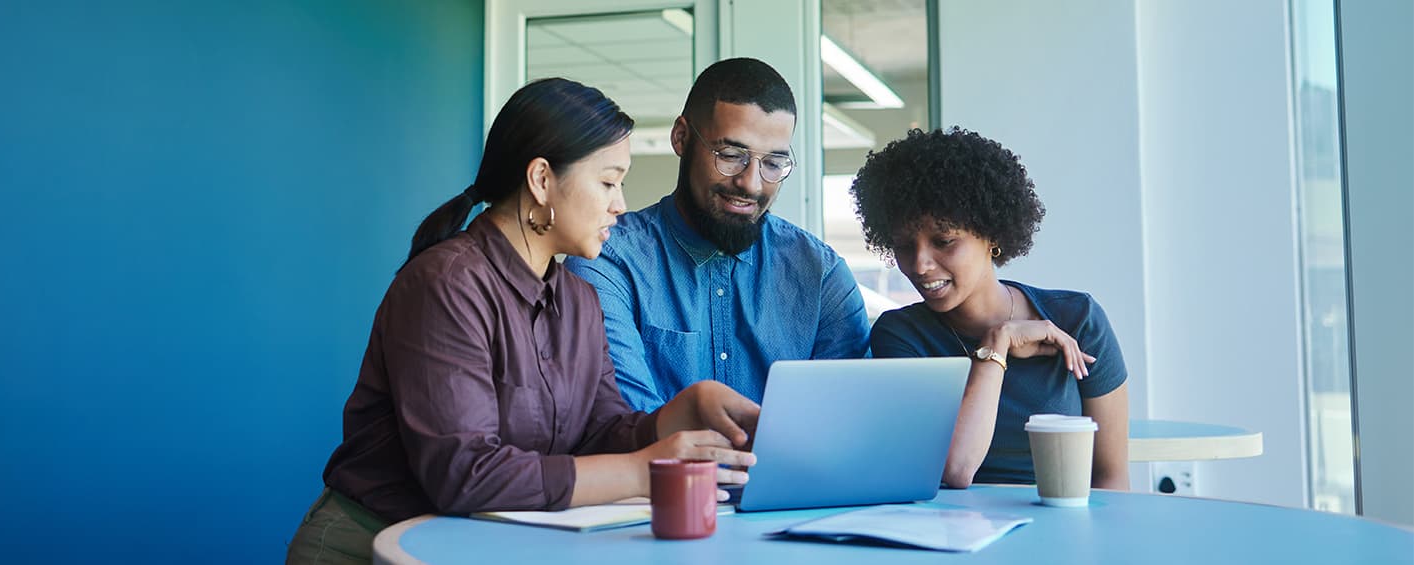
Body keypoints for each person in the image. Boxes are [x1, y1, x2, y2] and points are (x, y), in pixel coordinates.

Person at [286, 78, 764, 565]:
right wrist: (645, 471)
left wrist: (676, 414)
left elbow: (598, 434)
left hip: (476, 547)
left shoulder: (579, 299)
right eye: (607, 181)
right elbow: (465, 474)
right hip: (372, 547)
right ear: (541, 180)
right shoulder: (446, 285)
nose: (620, 203)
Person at [564, 58, 870, 412]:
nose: (751, 183)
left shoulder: (821, 275)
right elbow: (627, 422)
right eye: (730, 155)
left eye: (772, 163)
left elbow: (846, 421)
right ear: (681, 137)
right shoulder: (608, 259)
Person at [851, 127, 1129, 489]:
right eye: (905, 246)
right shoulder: (901, 336)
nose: (920, 264)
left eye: (944, 241)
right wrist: (996, 346)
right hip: (948, 533)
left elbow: (1110, 476)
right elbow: (955, 469)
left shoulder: (1077, 320)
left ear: (991, 236)